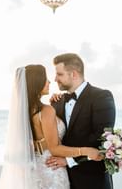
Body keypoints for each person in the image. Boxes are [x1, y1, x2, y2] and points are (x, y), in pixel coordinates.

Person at [0, 64, 101, 189]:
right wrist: (86, 151)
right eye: (45, 79)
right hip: (51, 168)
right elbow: (55, 149)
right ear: (36, 83)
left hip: (35, 169)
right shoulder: (46, 111)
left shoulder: (24, 111)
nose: (49, 81)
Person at [47, 53, 116, 189]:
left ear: (73, 74)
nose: (55, 79)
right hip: (62, 180)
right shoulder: (57, 102)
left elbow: (101, 140)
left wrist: (68, 160)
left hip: (92, 180)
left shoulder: (101, 97)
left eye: (59, 74)